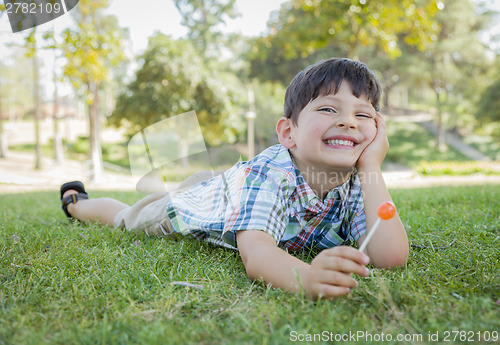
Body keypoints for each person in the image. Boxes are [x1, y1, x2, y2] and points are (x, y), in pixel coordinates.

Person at [60, 57, 409, 300]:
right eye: (329, 109)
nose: (348, 122)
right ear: (288, 132)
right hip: (196, 202)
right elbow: (256, 253)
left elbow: (390, 256)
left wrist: (371, 168)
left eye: (363, 115)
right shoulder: (271, 174)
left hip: (228, 187)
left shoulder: (359, 182)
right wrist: (307, 277)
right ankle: (78, 204)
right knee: (128, 218)